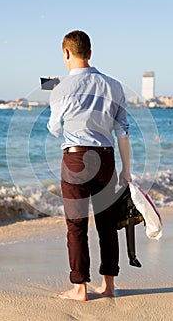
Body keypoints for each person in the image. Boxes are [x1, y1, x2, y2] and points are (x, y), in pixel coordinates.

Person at [47, 30, 132, 301]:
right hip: (106, 158)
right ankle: (108, 286)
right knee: (107, 223)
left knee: (76, 224)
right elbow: (123, 131)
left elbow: (54, 129)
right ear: (91, 54)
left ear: (66, 54)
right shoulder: (115, 86)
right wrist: (126, 170)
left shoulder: (60, 89)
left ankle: (80, 287)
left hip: (75, 158)